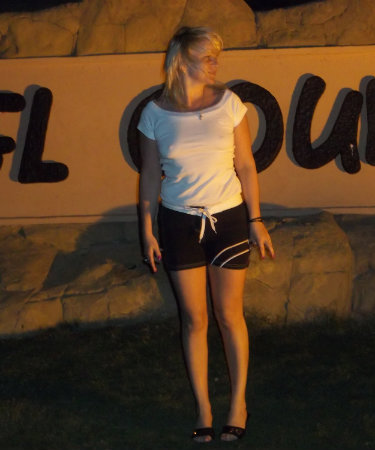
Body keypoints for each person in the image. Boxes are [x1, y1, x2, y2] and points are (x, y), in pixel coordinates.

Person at [137, 26, 275, 443]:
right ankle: (203, 408)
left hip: (228, 218)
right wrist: (147, 229)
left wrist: (255, 219)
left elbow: (246, 165)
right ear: (182, 61)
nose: (216, 63)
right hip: (178, 222)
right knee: (195, 319)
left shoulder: (229, 103)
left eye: (217, 55)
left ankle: (238, 403)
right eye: (207, 56)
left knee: (229, 315)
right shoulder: (154, 113)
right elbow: (149, 176)